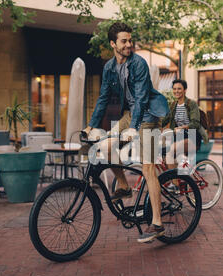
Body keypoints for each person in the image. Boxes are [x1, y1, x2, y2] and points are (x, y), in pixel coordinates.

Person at [83, 22, 170, 243]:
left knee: (148, 167)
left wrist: (134, 128)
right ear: (113, 44)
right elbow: (103, 98)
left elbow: (141, 98)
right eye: (124, 41)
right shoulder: (109, 67)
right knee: (105, 146)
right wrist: (91, 125)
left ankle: (158, 223)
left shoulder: (138, 64)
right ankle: (123, 184)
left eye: (130, 40)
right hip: (131, 114)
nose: (129, 44)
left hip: (148, 114)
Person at [161, 79, 209, 170]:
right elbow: (165, 120)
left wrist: (182, 127)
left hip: (192, 137)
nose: (176, 91)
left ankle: (174, 183)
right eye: (174, 89)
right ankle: (182, 180)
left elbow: (195, 123)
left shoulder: (191, 104)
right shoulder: (173, 105)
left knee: (169, 153)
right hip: (179, 137)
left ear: (185, 90)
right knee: (166, 157)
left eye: (179, 89)